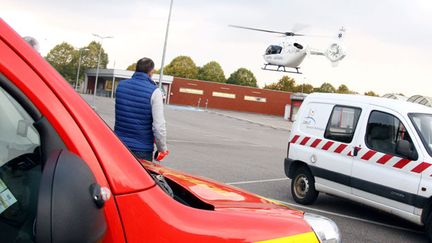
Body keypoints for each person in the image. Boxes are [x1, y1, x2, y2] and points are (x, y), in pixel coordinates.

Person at [114, 57, 169, 161]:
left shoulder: (121, 86)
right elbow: (158, 126)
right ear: (151, 71)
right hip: (141, 150)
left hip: (119, 145)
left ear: (136, 68)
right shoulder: (155, 92)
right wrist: (162, 148)